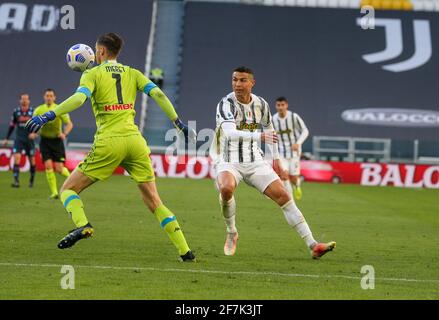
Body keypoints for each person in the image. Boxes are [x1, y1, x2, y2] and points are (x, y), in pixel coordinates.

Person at [26, 32, 195, 262]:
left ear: (102, 51)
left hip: (109, 142)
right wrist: (178, 123)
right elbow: (157, 93)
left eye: (96, 51)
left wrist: (50, 114)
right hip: (135, 141)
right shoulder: (133, 73)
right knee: (155, 201)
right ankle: (185, 251)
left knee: (68, 190)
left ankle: (83, 225)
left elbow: (79, 99)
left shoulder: (92, 74)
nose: (95, 55)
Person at [210, 66, 335, 259]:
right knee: (226, 189)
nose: (237, 84)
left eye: (243, 80)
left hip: (255, 161)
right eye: (234, 79)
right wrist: (260, 135)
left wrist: (276, 159)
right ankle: (232, 231)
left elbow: (271, 129)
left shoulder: (261, 104)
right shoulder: (226, 104)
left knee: (284, 197)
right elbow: (230, 133)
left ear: (252, 83)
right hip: (228, 159)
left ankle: (313, 245)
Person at [33, 89, 73, 199]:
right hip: (45, 141)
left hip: (56, 141)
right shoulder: (38, 110)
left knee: (59, 169)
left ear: (54, 97)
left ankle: (73, 179)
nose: (49, 97)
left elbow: (69, 124)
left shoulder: (60, 108)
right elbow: (33, 124)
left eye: (51, 96)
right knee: (48, 166)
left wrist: (64, 133)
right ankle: (54, 192)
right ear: (44, 97)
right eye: (47, 95)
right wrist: (34, 132)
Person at [272, 96, 309, 200]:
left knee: (293, 178)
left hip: (294, 153)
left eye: (282, 105)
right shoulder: (273, 119)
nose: (280, 107)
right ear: (275, 106)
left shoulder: (294, 117)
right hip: (282, 153)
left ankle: (297, 186)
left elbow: (305, 131)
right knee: (284, 176)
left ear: (286, 105)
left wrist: (298, 143)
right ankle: (290, 199)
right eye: (278, 105)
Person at [2, 94, 36, 188]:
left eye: (26, 99)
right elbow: (12, 126)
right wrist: (7, 138)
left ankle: (31, 180)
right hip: (19, 139)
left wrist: (35, 133)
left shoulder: (33, 111)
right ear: (20, 101)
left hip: (29, 140)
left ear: (29, 101)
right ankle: (16, 181)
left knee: (32, 161)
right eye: (23, 99)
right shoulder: (16, 112)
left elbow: (38, 125)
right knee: (17, 159)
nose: (24, 101)